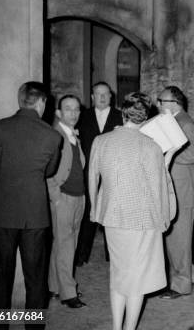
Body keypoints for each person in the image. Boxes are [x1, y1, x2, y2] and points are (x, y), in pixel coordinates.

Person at [88, 92, 173, 330]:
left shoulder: (101, 141)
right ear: (146, 118)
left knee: (119, 272)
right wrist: (164, 218)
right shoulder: (151, 145)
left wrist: (95, 210)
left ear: (123, 112)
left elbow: (92, 178)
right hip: (143, 219)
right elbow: (158, 188)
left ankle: (117, 327)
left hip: (112, 217)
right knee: (138, 278)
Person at [0, 82, 62, 323]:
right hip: (35, 216)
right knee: (36, 279)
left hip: (2, 212)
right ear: (41, 103)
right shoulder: (52, 135)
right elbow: (49, 171)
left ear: (21, 100)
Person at [157, 86, 194, 299]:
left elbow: (192, 154)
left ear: (175, 103)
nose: (158, 104)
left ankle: (180, 286)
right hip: (177, 189)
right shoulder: (174, 121)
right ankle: (190, 276)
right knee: (177, 240)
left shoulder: (184, 123)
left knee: (178, 240)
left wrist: (165, 149)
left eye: (162, 100)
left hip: (184, 192)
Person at [76, 81, 123, 266]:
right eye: (98, 94)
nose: (102, 97)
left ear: (111, 96)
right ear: (92, 97)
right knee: (88, 212)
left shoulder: (120, 117)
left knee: (111, 214)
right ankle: (81, 254)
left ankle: (112, 256)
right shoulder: (82, 117)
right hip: (88, 172)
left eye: (106, 94)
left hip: (113, 172)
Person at [47, 95, 86, 308]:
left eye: (76, 109)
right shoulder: (55, 135)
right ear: (59, 113)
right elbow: (46, 170)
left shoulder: (73, 136)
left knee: (62, 245)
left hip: (78, 197)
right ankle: (68, 293)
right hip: (63, 198)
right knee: (65, 246)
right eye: (68, 109)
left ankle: (54, 287)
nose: (73, 113)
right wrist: (56, 197)